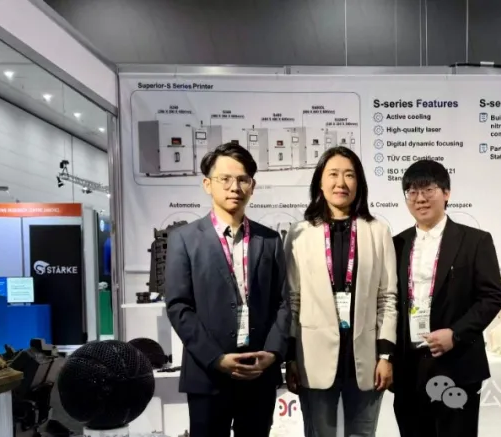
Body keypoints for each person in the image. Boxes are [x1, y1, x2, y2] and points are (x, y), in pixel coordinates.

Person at [164, 142, 291, 437]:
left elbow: (284, 302)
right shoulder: (184, 239)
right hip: (208, 373)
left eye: (243, 179)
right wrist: (216, 358)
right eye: (225, 179)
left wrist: (273, 352)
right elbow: (179, 306)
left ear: (252, 186)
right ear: (207, 184)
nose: (235, 187)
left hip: (258, 371)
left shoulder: (270, 240)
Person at [284, 147, 398, 437]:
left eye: (349, 175)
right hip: (313, 358)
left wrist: (385, 356)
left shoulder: (378, 231)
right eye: (333, 174)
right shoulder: (299, 233)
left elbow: (387, 298)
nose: (341, 183)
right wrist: (290, 357)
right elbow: (292, 300)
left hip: (366, 359)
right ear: (320, 183)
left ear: (359, 183)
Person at [390, 160, 501, 437]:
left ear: (446, 193)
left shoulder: (475, 241)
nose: (420, 198)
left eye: (428, 190)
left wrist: (456, 333)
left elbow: (492, 296)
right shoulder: (396, 244)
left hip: (457, 363)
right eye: (412, 192)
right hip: (409, 368)